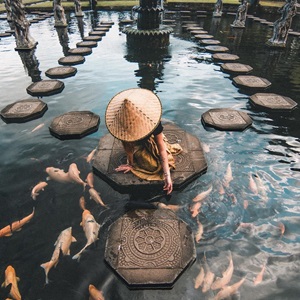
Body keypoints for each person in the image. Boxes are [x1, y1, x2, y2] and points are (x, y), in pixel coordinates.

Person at [105, 88, 182, 195]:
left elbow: (161, 149)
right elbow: (128, 148)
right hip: (136, 146)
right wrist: (130, 164)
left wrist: (167, 176)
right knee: (147, 163)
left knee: (156, 164)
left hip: (150, 141)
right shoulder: (122, 124)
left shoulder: (151, 120)